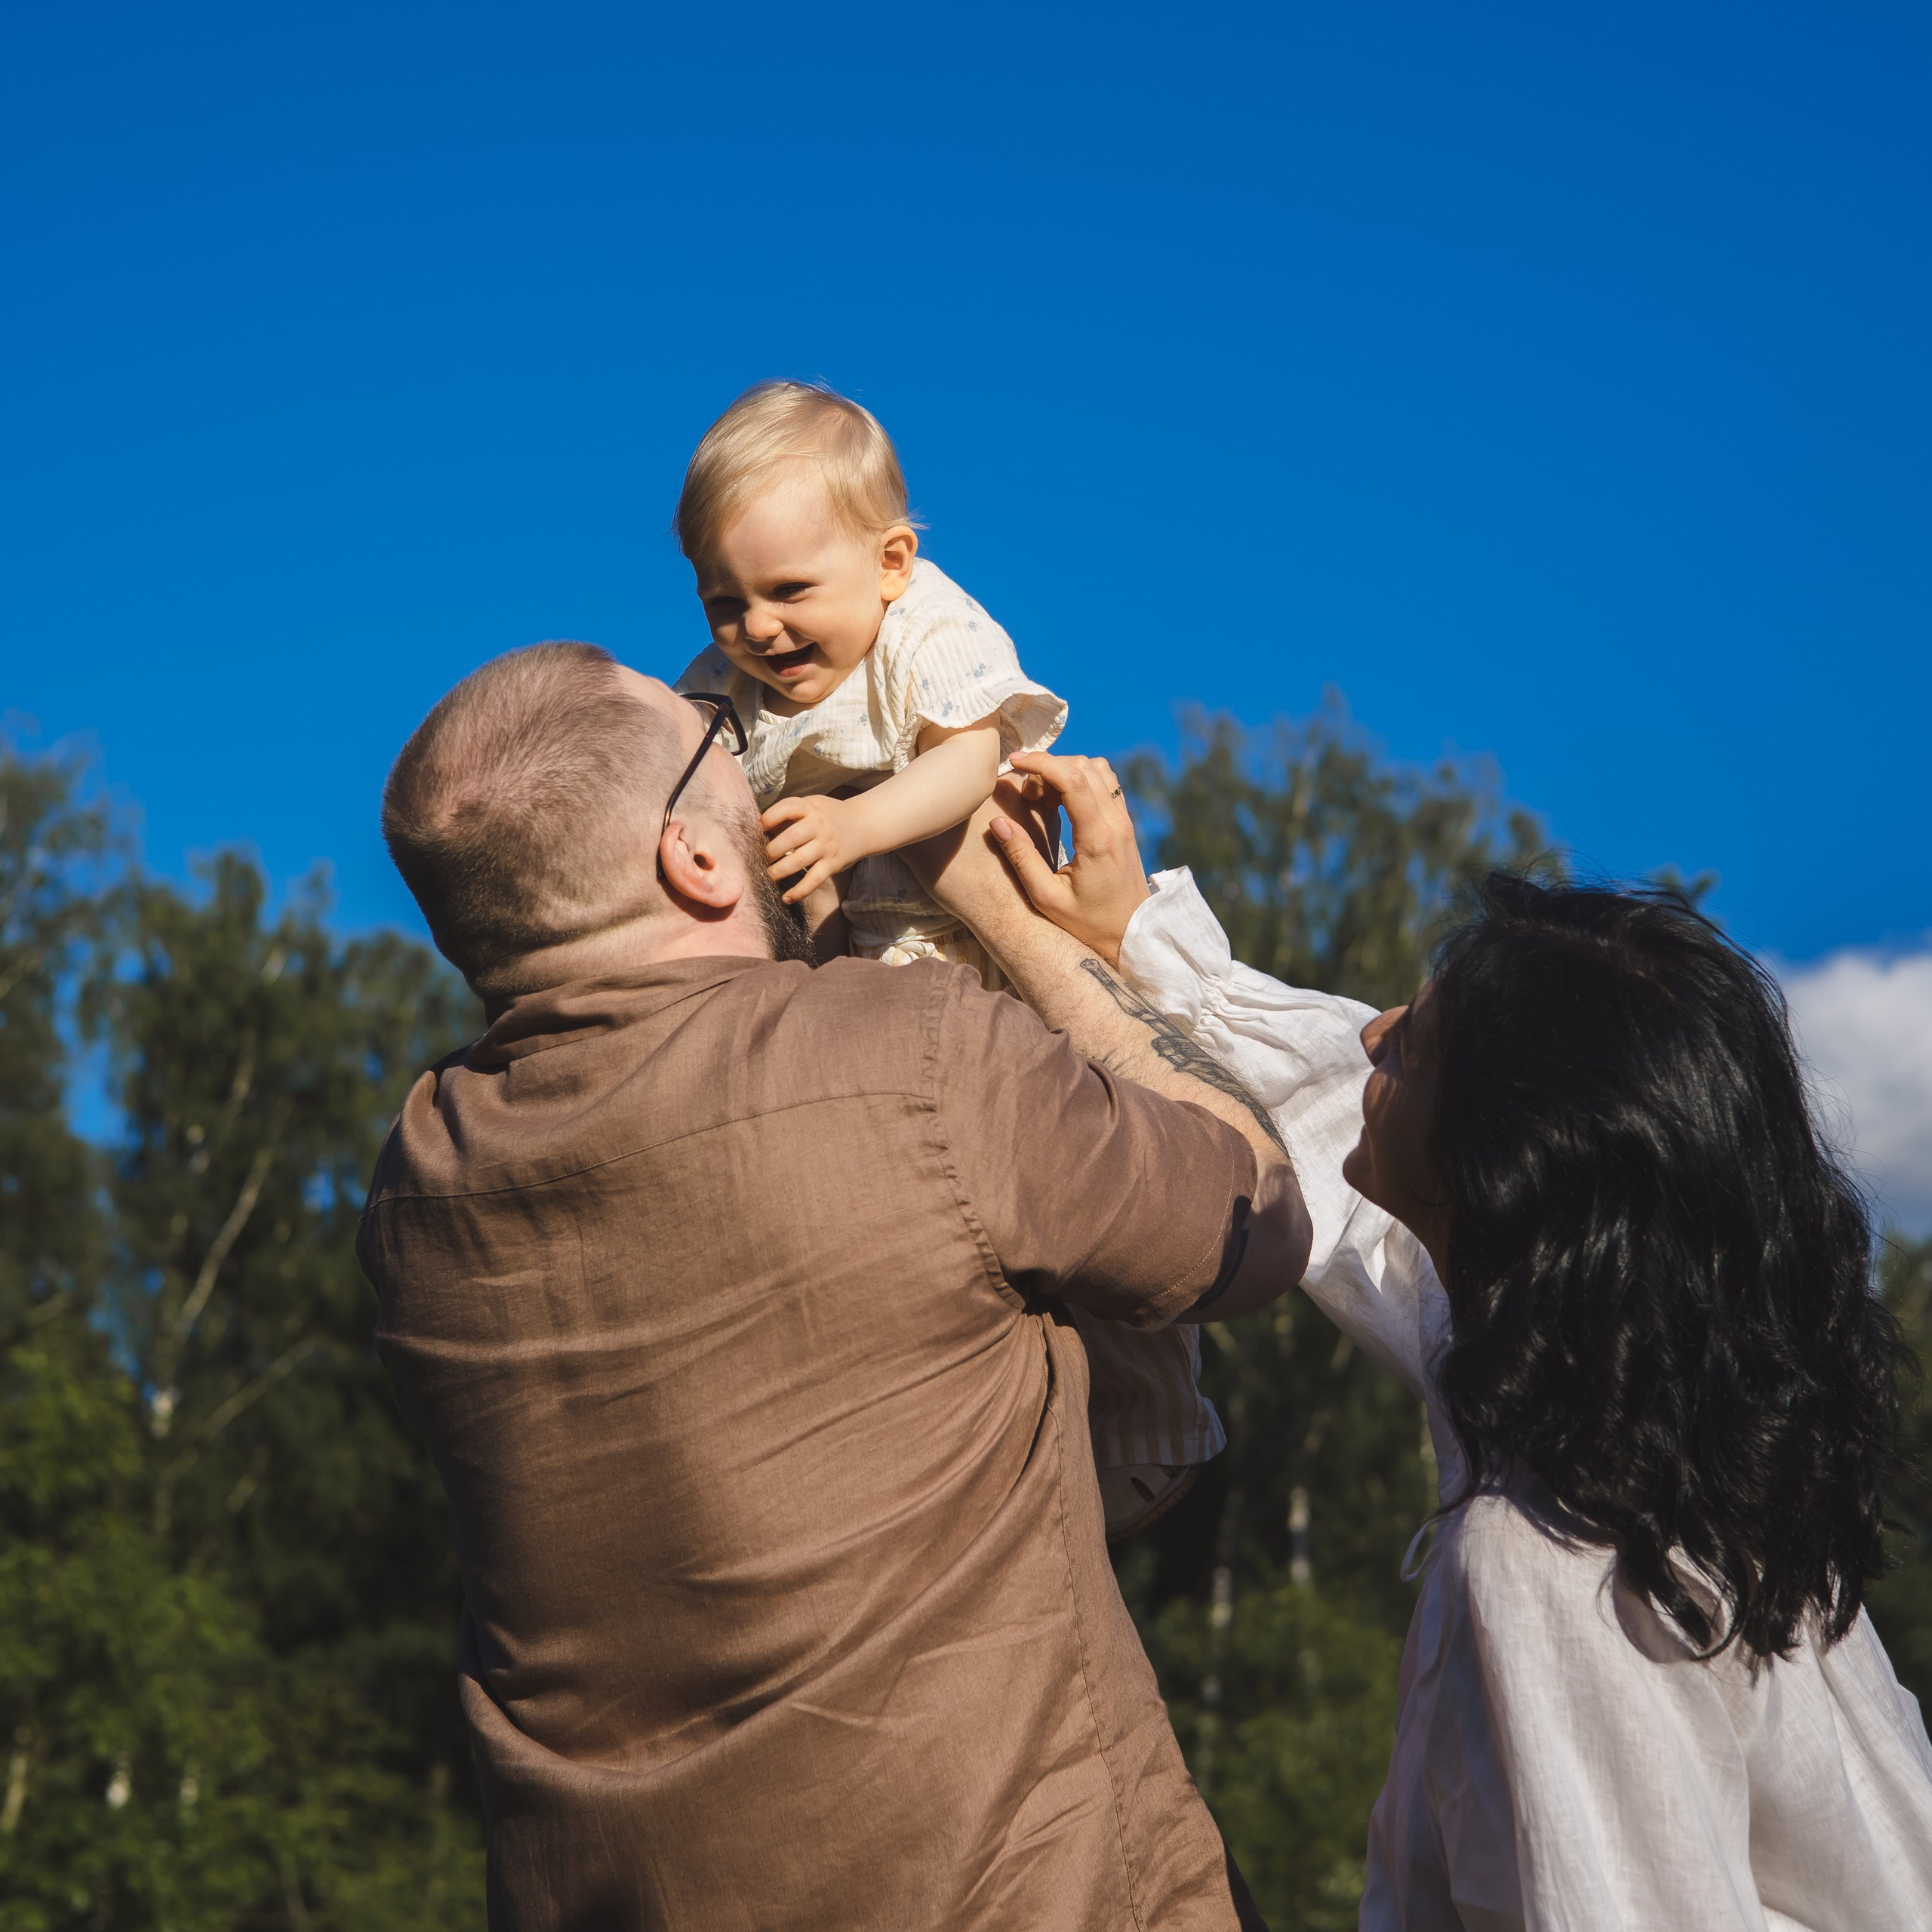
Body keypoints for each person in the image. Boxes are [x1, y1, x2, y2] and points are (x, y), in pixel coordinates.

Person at [358, 641, 1312, 1931]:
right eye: (723, 745)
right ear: (691, 860)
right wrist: (1014, 928)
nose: (755, 764)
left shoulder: (417, 1195)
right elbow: (1255, 1217)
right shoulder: (907, 1056)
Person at [922, 759, 1932, 1931]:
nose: (1376, 1035)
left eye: (1418, 1043)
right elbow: (1335, 1147)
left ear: (1501, 1165)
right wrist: (1136, 937)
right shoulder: (1643, 1438)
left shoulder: (1557, 1565)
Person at [672, 378, 1216, 1534]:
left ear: (890, 561)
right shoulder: (727, 690)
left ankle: (1156, 1432)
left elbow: (969, 763)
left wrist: (859, 824)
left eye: (787, 592)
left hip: (982, 961)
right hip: (853, 977)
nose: (757, 629)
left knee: (1088, 1186)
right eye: (723, 601)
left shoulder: (930, 629)